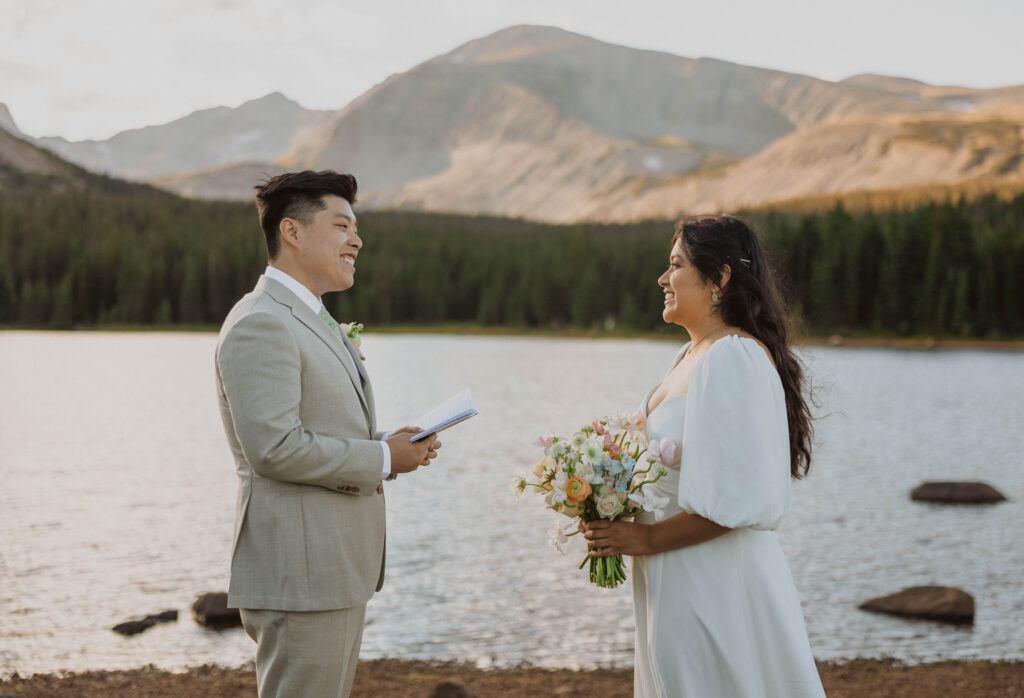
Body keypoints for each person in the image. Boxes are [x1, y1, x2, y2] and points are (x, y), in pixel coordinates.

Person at [215, 170, 441, 698]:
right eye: (342, 226)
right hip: (301, 576)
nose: (357, 240)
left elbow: (316, 428)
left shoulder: (308, 317)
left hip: (330, 570)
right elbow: (274, 449)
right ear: (292, 232)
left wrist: (390, 443)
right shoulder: (261, 323)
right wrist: (382, 459)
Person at [582, 215, 825, 697]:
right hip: (671, 578)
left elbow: (737, 502)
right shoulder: (690, 356)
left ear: (721, 277)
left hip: (713, 580)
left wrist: (646, 537)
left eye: (675, 265)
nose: (662, 278)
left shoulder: (733, 355)